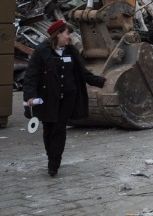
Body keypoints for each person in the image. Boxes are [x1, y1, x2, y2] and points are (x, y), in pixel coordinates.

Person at [23, 19, 106, 177]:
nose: (70, 38)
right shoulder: (41, 52)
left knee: (59, 129)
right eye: (68, 34)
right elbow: (31, 76)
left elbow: (83, 72)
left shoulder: (72, 52)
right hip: (48, 97)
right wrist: (30, 96)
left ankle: (54, 164)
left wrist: (100, 81)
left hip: (68, 97)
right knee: (49, 129)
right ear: (58, 34)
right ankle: (51, 156)